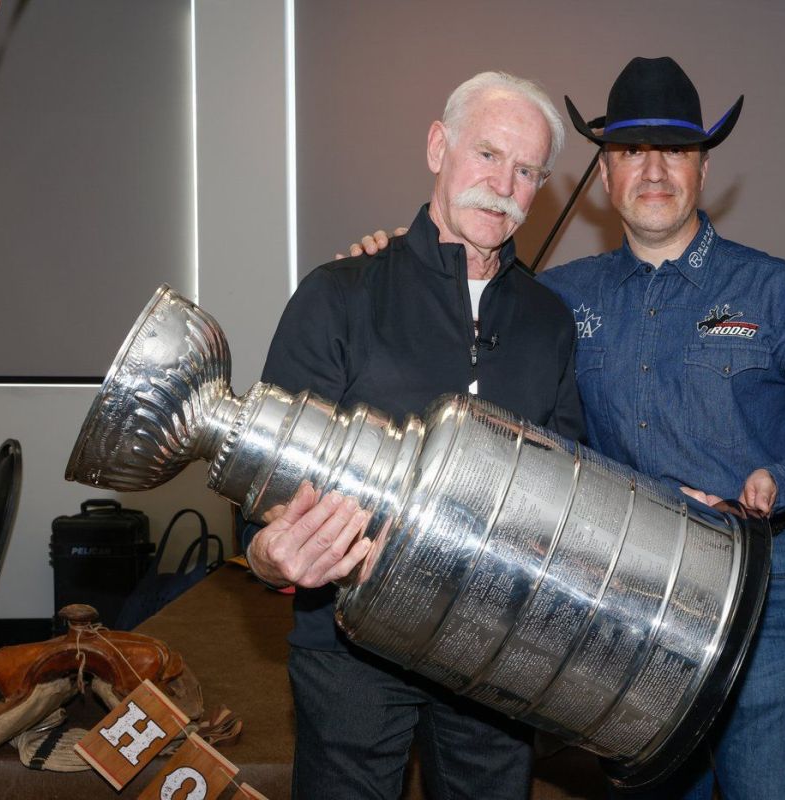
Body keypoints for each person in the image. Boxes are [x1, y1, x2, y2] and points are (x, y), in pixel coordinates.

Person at [354, 57, 785, 800]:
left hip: (761, 594)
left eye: (674, 150)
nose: (654, 170)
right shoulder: (554, 301)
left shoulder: (781, 293)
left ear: (703, 168)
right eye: (631, 151)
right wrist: (390, 263)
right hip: (625, 605)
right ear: (605, 176)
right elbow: (461, 339)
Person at [240, 71, 584, 800]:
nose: (503, 184)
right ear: (439, 146)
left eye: (526, 171)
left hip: (496, 661)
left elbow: (569, 488)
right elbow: (258, 479)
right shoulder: (340, 294)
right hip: (349, 653)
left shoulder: (550, 322)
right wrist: (269, 551)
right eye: (488, 155)